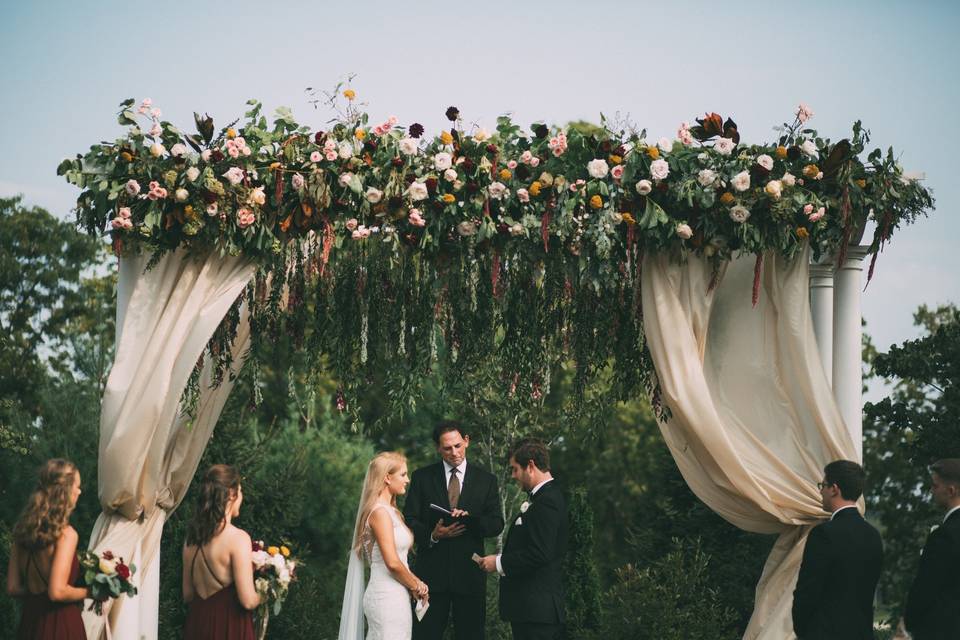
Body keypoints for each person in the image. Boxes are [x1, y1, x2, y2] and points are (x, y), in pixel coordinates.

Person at [403, 421, 504, 640]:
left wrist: (471, 520)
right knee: (424, 635)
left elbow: (497, 523)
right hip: (429, 577)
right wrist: (432, 535)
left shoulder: (486, 481)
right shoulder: (422, 477)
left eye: (458, 445)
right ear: (438, 448)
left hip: (469, 577)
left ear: (466, 441)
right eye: (447, 448)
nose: (454, 452)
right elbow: (409, 518)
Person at [477, 438, 568, 640]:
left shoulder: (547, 501)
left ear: (531, 466)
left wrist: (499, 562)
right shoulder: (543, 497)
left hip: (538, 615)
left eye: (515, 469)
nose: (513, 476)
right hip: (533, 612)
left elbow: (540, 553)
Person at [339, 452, 429, 640]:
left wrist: (412, 587)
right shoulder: (379, 513)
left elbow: (399, 561)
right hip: (386, 597)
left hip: (397, 594)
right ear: (387, 477)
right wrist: (417, 585)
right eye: (403, 474)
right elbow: (392, 563)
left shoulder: (391, 511)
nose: (408, 480)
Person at [792, 460, 883, 640]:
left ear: (834, 489)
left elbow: (807, 592)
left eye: (823, 485)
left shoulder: (824, 534)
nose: (820, 491)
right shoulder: (873, 535)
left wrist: (804, 632)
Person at [6, 458, 89, 640]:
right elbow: (57, 591)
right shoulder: (66, 534)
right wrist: (91, 592)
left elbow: (12, 588)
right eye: (77, 486)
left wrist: (37, 593)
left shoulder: (21, 531)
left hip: (30, 623)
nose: (79, 491)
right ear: (65, 491)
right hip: (61, 624)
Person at [182, 464, 260, 640]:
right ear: (232, 494)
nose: (242, 496)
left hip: (197, 626)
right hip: (229, 627)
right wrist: (265, 593)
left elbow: (188, 595)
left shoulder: (191, 539)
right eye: (240, 491)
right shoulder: (238, 538)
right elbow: (248, 601)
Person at [904, 458, 960, 639]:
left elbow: (926, 589)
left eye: (935, 486)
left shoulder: (945, 535)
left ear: (951, 491)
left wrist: (908, 622)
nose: (931, 491)